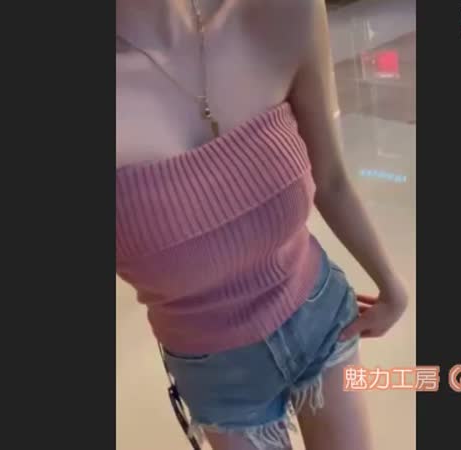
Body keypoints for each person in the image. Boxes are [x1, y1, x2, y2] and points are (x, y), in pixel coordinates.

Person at [116, 1, 408, 449]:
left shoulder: (280, 12)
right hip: (217, 371)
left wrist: (391, 286)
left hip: (319, 314)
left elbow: (329, 177)